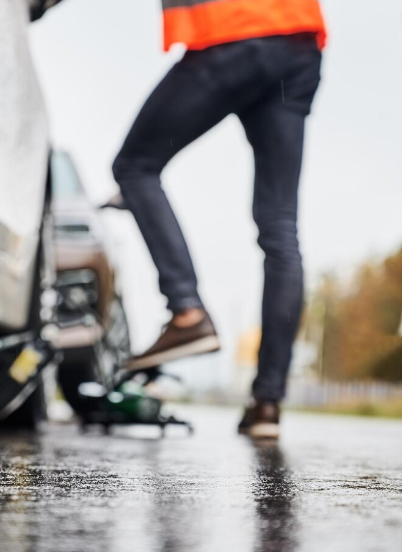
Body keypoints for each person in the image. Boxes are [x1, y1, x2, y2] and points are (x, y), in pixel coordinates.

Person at [111, 0, 327, 439]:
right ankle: (267, 402)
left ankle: (187, 311)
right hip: (298, 40)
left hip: (229, 31)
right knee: (281, 227)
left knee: (135, 166)